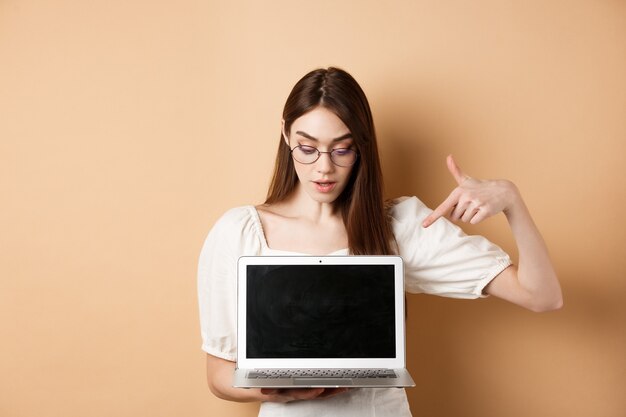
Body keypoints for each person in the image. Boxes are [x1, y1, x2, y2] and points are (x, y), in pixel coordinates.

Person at [197, 67, 563, 417]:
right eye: (307, 148)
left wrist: (512, 201)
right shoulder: (239, 231)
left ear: (362, 147)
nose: (323, 168)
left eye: (342, 149)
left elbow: (542, 296)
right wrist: (287, 390)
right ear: (286, 135)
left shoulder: (397, 227)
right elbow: (218, 375)